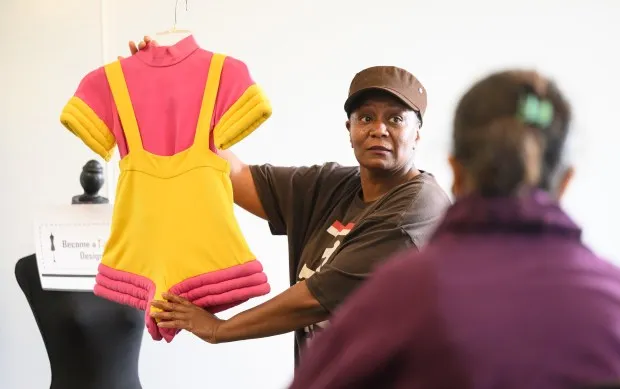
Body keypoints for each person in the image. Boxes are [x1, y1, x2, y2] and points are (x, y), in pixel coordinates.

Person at [123, 37, 451, 363]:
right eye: (366, 117)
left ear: (417, 133)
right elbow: (233, 175)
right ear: (349, 128)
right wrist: (162, 94)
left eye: (395, 119)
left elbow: (315, 299)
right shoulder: (333, 187)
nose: (379, 129)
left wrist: (219, 329)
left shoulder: (417, 209)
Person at [288, 70, 620, 388]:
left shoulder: (396, 295)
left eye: (394, 119)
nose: (379, 129)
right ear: (566, 182)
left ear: (456, 172)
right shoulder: (612, 299)